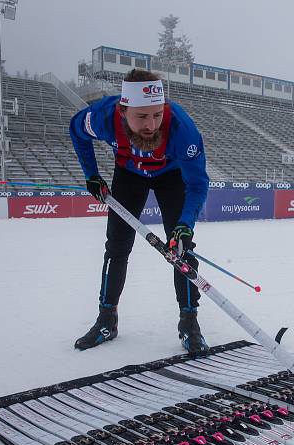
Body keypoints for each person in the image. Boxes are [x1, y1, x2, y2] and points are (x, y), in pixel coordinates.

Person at [69, 69, 209, 352]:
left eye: (157, 114)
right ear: (124, 110)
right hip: (129, 174)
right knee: (117, 247)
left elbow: (197, 184)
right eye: (142, 116)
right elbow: (76, 129)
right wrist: (91, 175)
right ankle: (106, 319)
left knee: (181, 249)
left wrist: (185, 224)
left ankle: (189, 322)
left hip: (172, 176)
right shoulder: (104, 117)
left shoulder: (183, 130)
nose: (151, 125)